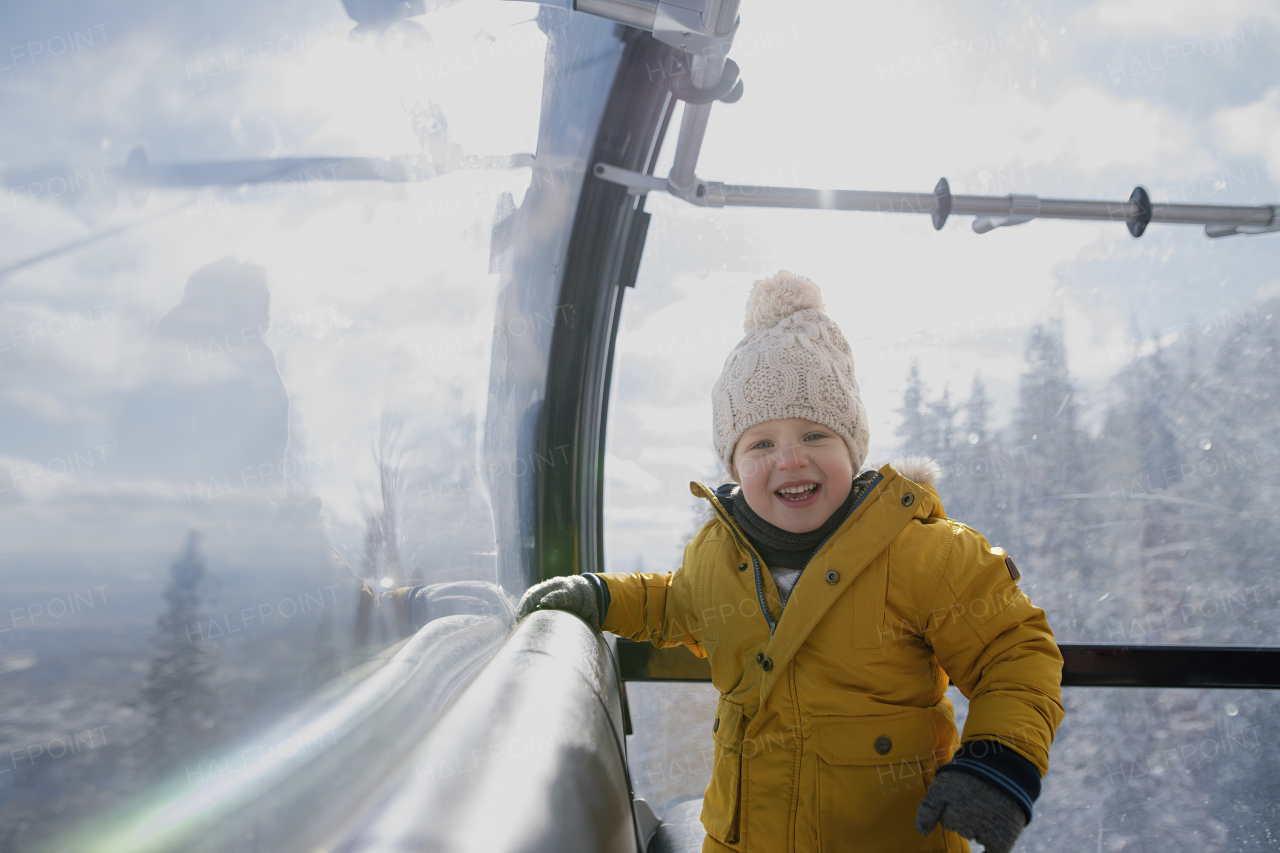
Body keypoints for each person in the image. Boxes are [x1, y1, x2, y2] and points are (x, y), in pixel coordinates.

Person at [517, 271, 1064, 853]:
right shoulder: (717, 557)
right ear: (733, 464)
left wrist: (997, 761)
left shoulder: (923, 554)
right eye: (761, 444)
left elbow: (1015, 653)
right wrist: (600, 597)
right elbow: (671, 603)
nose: (790, 460)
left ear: (852, 450)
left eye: (815, 435)